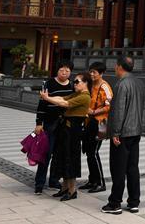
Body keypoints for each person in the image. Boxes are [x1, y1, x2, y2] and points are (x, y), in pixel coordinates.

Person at [101, 56, 145, 215]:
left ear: (119, 66)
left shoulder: (121, 84)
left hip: (123, 133)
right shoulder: (139, 83)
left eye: (115, 66)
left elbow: (119, 110)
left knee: (118, 168)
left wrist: (116, 132)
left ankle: (115, 203)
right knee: (132, 167)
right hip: (136, 130)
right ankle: (134, 202)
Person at [41, 72, 91, 202]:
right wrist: (48, 97)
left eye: (77, 82)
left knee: (71, 159)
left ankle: (72, 190)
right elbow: (62, 99)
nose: (74, 84)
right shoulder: (77, 94)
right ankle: (64, 188)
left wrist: (47, 98)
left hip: (74, 131)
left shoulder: (85, 97)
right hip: (67, 129)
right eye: (74, 81)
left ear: (86, 83)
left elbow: (65, 104)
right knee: (63, 157)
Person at [33, 63, 74, 194]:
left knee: (59, 154)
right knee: (46, 153)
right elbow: (42, 104)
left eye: (67, 70)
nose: (64, 73)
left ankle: (54, 181)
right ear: (57, 71)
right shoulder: (49, 84)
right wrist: (39, 123)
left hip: (65, 125)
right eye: (61, 70)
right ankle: (39, 183)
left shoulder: (72, 85)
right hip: (50, 124)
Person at [81, 62, 113, 193]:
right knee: (89, 152)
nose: (92, 74)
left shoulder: (104, 86)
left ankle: (100, 183)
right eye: (91, 72)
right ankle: (92, 180)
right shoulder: (90, 84)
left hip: (99, 122)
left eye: (94, 72)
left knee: (93, 152)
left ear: (101, 73)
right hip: (89, 121)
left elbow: (109, 105)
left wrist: (94, 112)